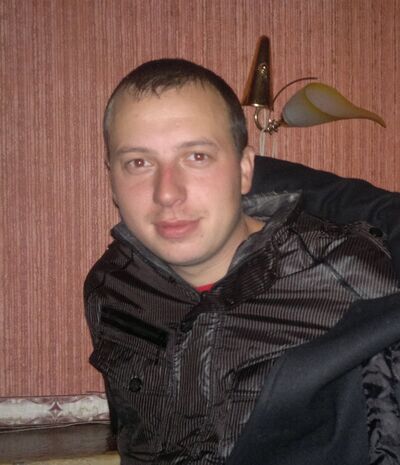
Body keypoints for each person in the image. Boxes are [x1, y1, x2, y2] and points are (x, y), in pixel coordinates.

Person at [85, 58, 400, 465]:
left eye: (197, 156)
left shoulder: (355, 273)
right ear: (112, 180)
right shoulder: (111, 287)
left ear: (246, 169)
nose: (167, 193)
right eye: (138, 163)